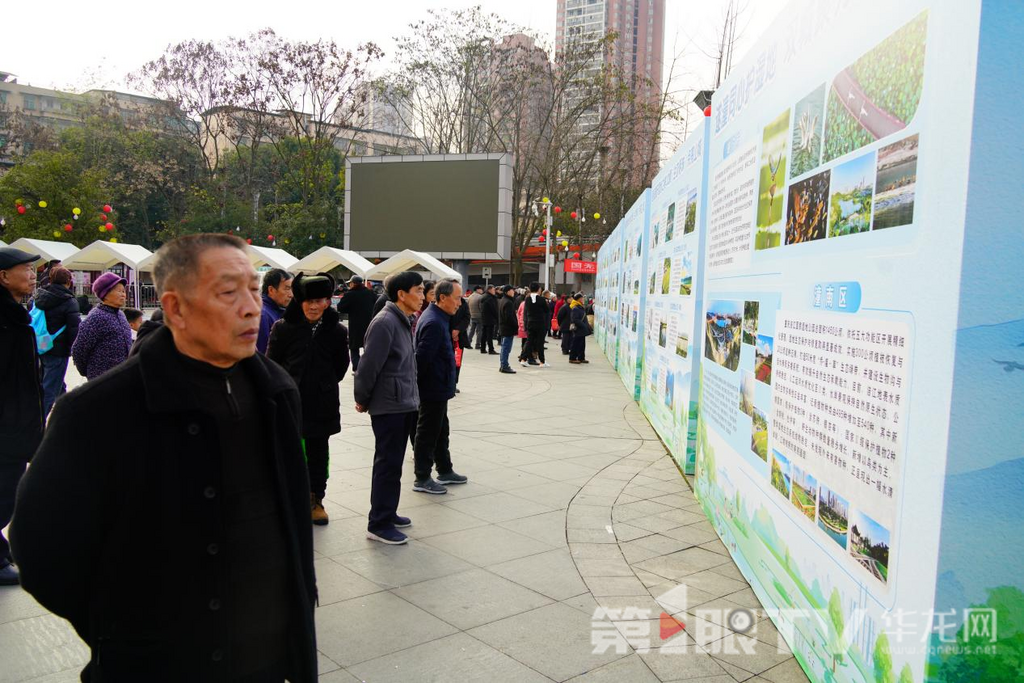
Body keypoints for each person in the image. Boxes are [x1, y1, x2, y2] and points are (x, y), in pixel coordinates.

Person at [11, 234, 318, 680]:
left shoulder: (277, 391)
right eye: (228, 292)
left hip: (265, 662)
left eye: (254, 289)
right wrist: (121, 631)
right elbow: (41, 548)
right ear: (175, 308)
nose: (251, 307)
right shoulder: (97, 411)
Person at [268, 273, 350, 526]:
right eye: (308, 301)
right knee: (289, 452)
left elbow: (341, 366)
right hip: (290, 403)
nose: (314, 306)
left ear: (327, 302)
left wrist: (323, 384)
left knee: (318, 453)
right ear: (300, 301)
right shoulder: (283, 328)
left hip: (321, 403)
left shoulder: (336, 331)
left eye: (319, 301)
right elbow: (272, 364)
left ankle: (316, 499)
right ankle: (291, 498)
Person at [355, 271, 423, 545]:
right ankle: (378, 523)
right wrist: (362, 397)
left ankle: (388, 512)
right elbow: (368, 365)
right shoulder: (385, 322)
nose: (422, 296)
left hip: (403, 401)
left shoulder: (403, 319)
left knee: (394, 464)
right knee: (387, 464)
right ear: (401, 294)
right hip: (389, 405)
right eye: (418, 290)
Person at [0, 247, 44, 586]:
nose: (33, 276)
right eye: (26, 270)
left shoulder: (16, 315)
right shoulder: (5, 321)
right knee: (5, 493)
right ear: (4, 277)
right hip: (7, 427)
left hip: (17, 423)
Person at [411, 279, 469, 495]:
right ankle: (422, 477)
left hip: (439, 386)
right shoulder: (434, 322)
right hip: (432, 388)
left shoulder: (439, 317)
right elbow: (421, 359)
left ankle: (445, 470)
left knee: (441, 430)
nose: (460, 303)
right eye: (457, 298)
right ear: (442, 298)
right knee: (427, 432)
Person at [32, 265, 81, 417]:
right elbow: (74, 329)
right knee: (50, 388)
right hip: (58, 349)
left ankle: (69, 415)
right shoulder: (69, 301)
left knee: (55, 383)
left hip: (40, 345)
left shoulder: (38, 296)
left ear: (50, 279)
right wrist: (76, 350)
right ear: (69, 281)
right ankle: (39, 423)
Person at [71, 272, 133, 381]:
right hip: (102, 380)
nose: (123, 294)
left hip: (121, 378)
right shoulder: (96, 317)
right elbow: (78, 350)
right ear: (105, 294)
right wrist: (89, 373)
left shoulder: (121, 315)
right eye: (118, 291)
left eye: (123, 291)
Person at [335, 275, 376, 371]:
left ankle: (357, 368)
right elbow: (376, 304)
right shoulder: (370, 293)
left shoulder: (350, 294)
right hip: (370, 324)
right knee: (368, 347)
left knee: (354, 348)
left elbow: (340, 308)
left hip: (355, 325)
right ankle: (368, 367)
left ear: (353, 283)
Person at [257, 268, 293, 355]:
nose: (291, 295)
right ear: (271, 290)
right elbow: (263, 352)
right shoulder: (263, 315)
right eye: (287, 289)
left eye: (292, 289)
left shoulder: (279, 310)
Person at [523, 282, 550, 367]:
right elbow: (547, 310)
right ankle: (542, 361)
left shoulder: (527, 299)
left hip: (530, 322)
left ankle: (523, 359)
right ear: (539, 289)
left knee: (529, 341)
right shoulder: (541, 299)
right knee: (540, 342)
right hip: (540, 323)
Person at [450, 289, 470, 392]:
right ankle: (447, 382)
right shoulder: (447, 301)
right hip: (447, 336)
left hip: (460, 337)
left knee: (457, 361)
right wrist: (451, 332)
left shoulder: (463, 303)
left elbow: (467, 318)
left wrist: (458, 330)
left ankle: (454, 383)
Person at [497, 284, 519, 374]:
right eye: (512, 290)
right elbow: (509, 317)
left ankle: (503, 365)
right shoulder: (508, 302)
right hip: (507, 328)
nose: (513, 292)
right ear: (507, 292)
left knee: (504, 347)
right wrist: (516, 325)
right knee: (506, 348)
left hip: (504, 328)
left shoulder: (503, 300)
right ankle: (504, 366)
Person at [569, 293, 591, 364]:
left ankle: (581, 358)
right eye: (582, 298)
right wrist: (583, 325)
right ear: (579, 299)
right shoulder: (575, 308)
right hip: (578, 329)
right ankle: (572, 358)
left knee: (582, 345)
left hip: (582, 330)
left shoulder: (580, 307)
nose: (583, 299)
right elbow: (575, 319)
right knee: (576, 344)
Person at [479, 284, 499, 355]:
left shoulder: (484, 296)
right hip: (490, 318)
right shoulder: (490, 298)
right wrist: (497, 317)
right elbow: (494, 309)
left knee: (484, 334)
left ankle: (483, 348)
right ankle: (491, 349)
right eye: (493, 290)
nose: (494, 291)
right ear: (489, 290)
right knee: (490, 335)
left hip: (484, 318)